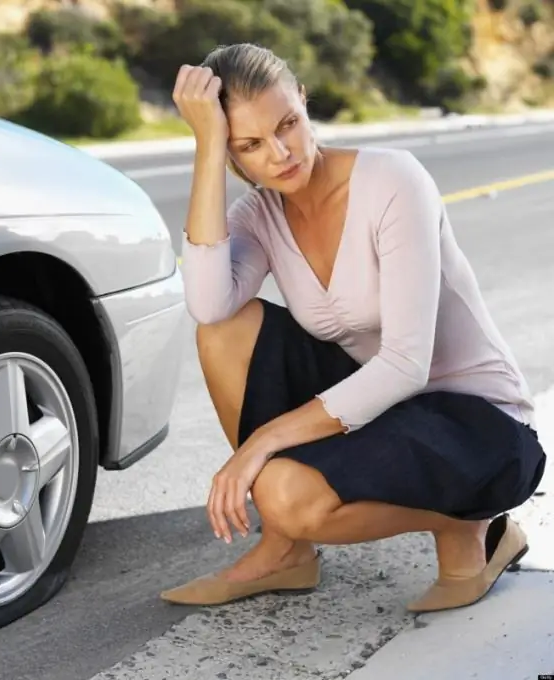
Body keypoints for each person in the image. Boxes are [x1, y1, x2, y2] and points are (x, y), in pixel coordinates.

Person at [160, 42, 547, 612]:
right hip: (382, 408)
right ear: (233, 157)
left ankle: (473, 523)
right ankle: (286, 552)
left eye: (288, 123)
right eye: (250, 145)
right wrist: (207, 147)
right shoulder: (259, 216)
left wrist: (263, 444)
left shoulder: (392, 180)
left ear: (304, 101)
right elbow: (209, 304)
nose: (281, 152)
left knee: (283, 493)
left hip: (478, 424)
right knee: (223, 332)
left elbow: (405, 365)